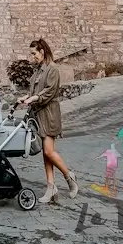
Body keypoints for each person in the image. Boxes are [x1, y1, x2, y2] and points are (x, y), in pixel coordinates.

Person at [17, 38, 78, 204]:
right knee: (46, 153)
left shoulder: (52, 69)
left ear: (42, 52)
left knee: (49, 152)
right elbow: (35, 90)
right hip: (38, 115)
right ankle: (51, 188)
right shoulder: (38, 70)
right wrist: (26, 97)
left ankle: (69, 176)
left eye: (34, 53)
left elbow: (49, 92)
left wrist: (34, 98)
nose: (32, 57)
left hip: (49, 115)